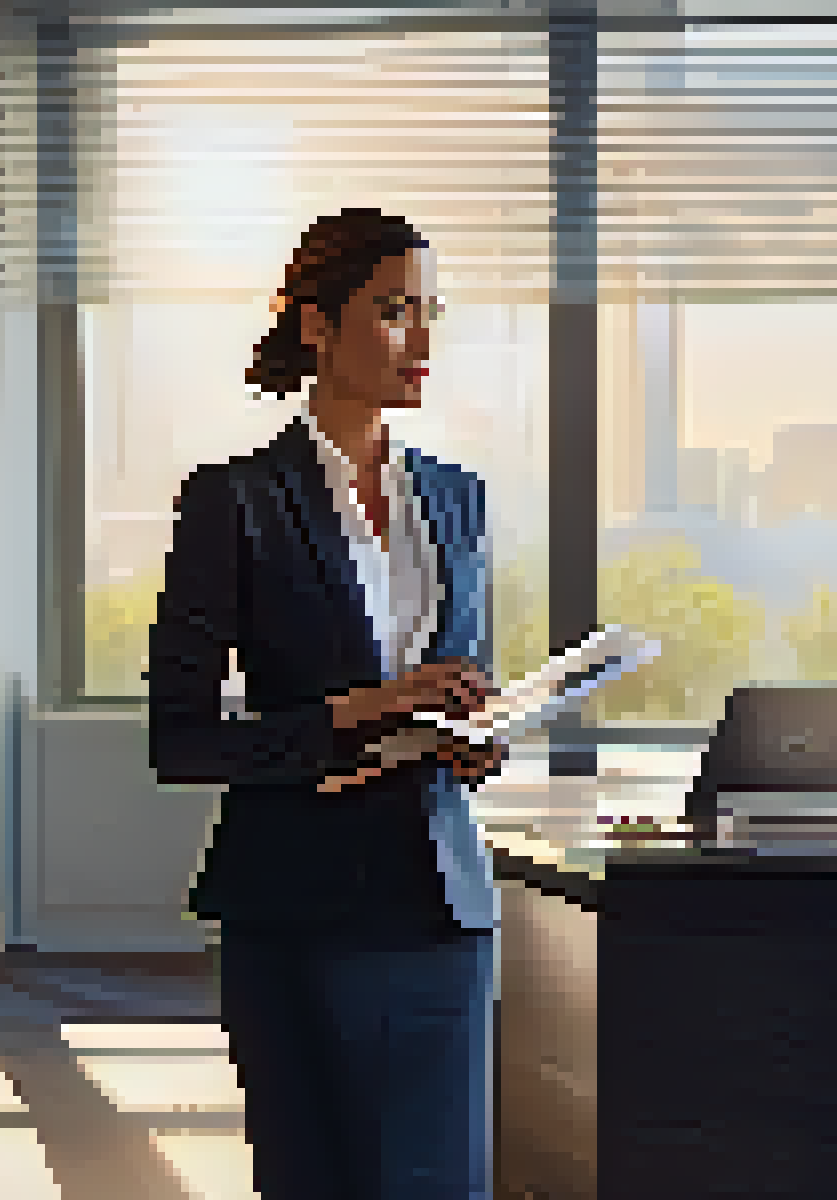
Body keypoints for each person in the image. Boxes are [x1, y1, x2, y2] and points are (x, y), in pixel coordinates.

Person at [149, 207, 507, 1200]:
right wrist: (364, 708)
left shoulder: (461, 498)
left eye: (432, 314)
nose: (422, 343)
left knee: (446, 1184)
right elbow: (181, 741)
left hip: (442, 908)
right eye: (394, 312)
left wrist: (475, 740)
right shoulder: (233, 500)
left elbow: (463, 684)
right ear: (317, 325)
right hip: (300, 905)